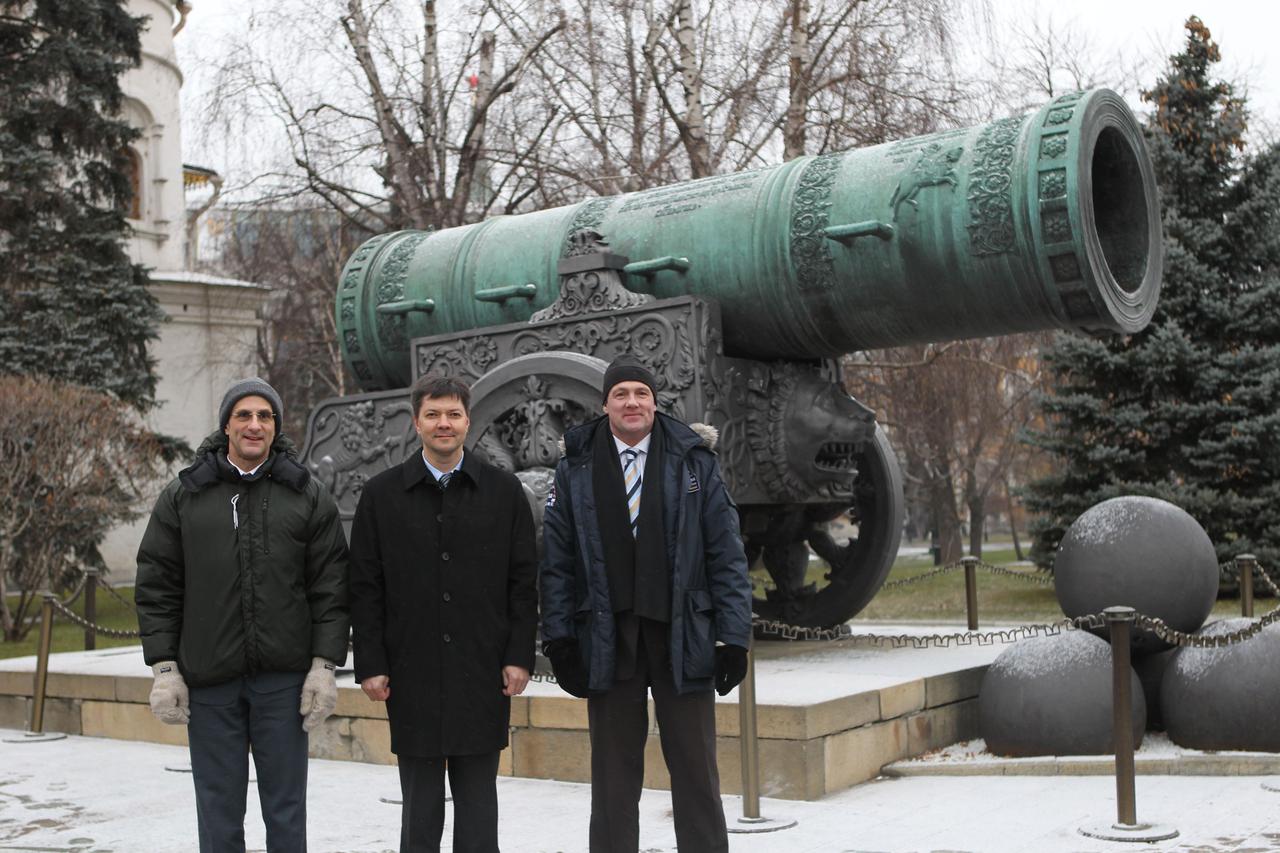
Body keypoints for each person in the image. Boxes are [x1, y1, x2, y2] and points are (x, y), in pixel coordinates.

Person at [539, 354, 754, 852]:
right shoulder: (575, 465)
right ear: (605, 404)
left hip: (684, 635)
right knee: (613, 781)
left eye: (641, 394)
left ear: (655, 403)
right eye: (621, 394)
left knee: (697, 773)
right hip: (608, 639)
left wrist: (734, 638)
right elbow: (557, 560)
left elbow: (726, 552)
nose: (632, 403)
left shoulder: (694, 460)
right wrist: (560, 638)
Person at [135, 377, 350, 853]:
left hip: (283, 683)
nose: (255, 425)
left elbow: (331, 585)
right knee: (217, 810)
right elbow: (157, 583)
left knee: (286, 809)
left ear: (275, 426)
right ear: (227, 426)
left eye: (265, 416)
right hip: (210, 681)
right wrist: (165, 667)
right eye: (244, 416)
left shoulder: (306, 495)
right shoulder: (185, 496)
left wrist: (323, 665)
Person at [348, 374, 538, 853]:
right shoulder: (381, 496)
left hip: (481, 670)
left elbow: (523, 581)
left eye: (453, 414)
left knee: (478, 806)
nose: (444, 424)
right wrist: (371, 662)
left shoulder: (503, 491)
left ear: (468, 421)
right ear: (416, 423)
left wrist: (519, 655)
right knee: (420, 809)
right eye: (433, 414)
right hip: (412, 674)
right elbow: (365, 587)